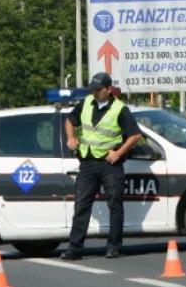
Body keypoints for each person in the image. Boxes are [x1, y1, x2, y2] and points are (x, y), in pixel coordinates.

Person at [61, 72, 142, 260]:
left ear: (108, 89)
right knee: (81, 204)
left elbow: (135, 135)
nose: (95, 93)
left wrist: (119, 153)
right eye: (93, 90)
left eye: (99, 90)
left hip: (109, 163)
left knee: (114, 204)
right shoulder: (87, 102)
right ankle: (75, 248)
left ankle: (113, 246)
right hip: (88, 162)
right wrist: (71, 138)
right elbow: (69, 120)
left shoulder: (120, 109)